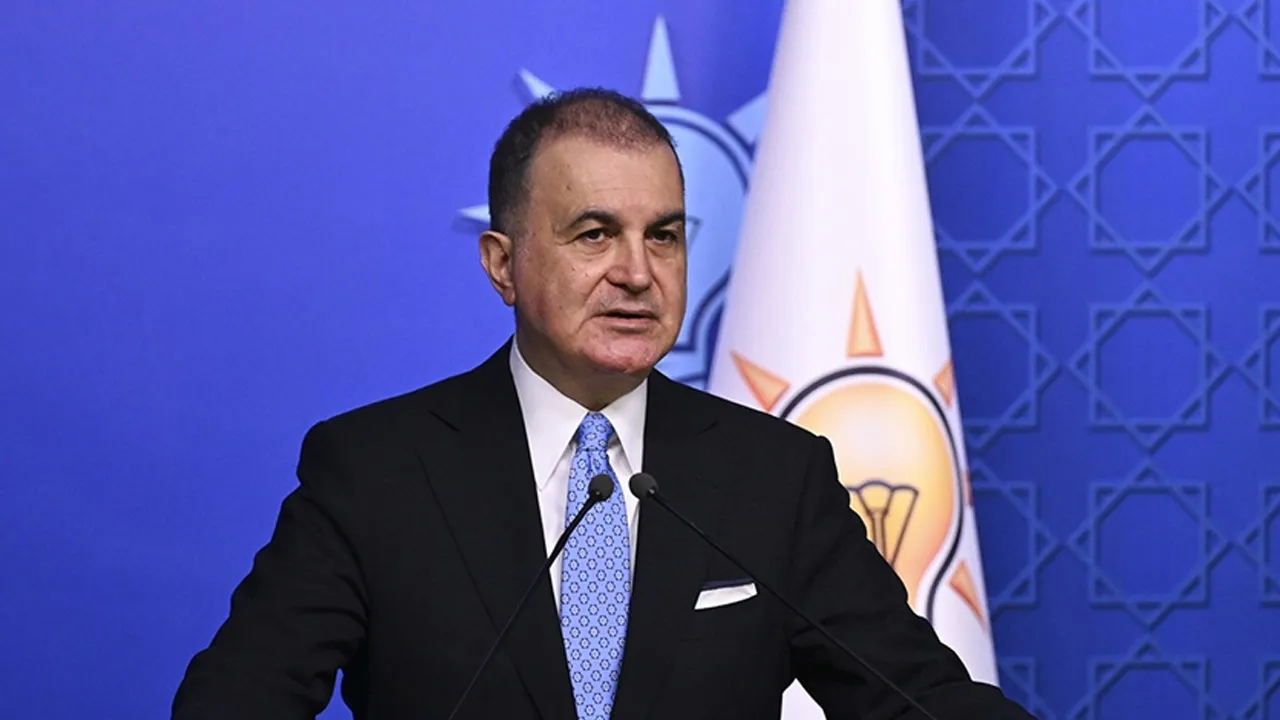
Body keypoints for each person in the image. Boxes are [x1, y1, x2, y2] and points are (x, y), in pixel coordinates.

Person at [172, 88, 1033, 720]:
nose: (637, 272)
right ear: (502, 265)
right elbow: (237, 703)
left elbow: (919, 699)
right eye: (594, 234)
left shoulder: (774, 476)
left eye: (663, 235)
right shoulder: (376, 472)